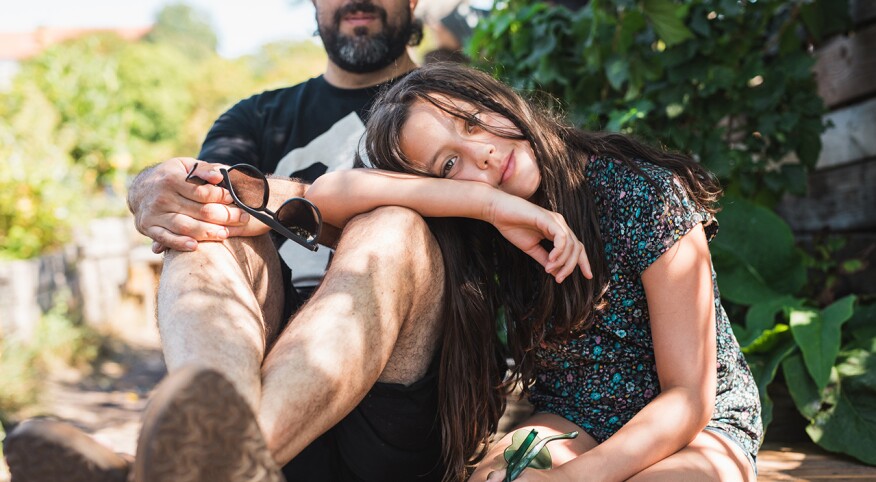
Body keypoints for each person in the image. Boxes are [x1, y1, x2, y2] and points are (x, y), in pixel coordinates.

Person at [3, 1, 497, 481]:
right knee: (209, 219)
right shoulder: (255, 117)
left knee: (392, 225)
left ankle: (190, 470)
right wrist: (150, 187)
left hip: (407, 406)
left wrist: (293, 198)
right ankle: (213, 456)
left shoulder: (449, 107)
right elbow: (203, 189)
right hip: (263, 370)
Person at [303, 62, 763, 481]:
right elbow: (325, 196)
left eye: (473, 121)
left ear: (498, 99)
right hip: (576, 416)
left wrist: (571, 479)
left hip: (700, 422)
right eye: (449, 164)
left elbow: (689, 397)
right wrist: (488, 204)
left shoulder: (643, 193)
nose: (481, 152)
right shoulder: (481, 232)